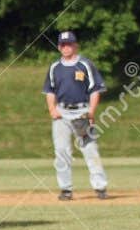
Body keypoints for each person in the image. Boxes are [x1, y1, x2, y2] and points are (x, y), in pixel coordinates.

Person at [42, 31, 109, 200]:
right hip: (61, 113)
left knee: (90, 150)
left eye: (69, 44)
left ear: (75, 45)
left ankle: (100, 188)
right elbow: (50, 91)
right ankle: (66, 189)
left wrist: (91, 111)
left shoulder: (86, 65)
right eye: (63, 44)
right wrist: (52, 109)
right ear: (59, 47)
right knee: (62, 151)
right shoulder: (54, 67)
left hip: (82, 111)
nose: (66, 47)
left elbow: (95, 90)